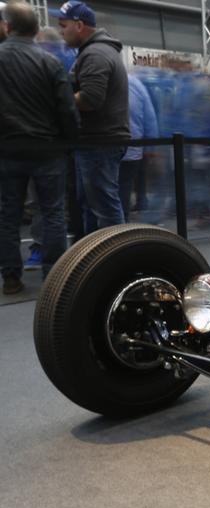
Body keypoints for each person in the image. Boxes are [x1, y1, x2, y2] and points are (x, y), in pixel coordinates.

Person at [0, 1, 78, 294]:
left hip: (8, 150)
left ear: (8, 27)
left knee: (8, 214)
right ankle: (53, 277)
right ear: (35, 29)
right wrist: (69, 142)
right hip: (47, 150)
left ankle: (10, 277)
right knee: (53, 213)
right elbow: (67, 109)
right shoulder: (50, 62)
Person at [52, 1, 129, 235]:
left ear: (79, 25)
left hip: (100, 142)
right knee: (94, 206)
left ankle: (120, 259)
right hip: (98, 142)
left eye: (63, 25)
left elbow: (90, 99)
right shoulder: (94, 51)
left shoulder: (95, 54)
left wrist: (60, 100)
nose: (60, 31)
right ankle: (99, 259)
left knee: (105, 208)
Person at [119, 73, 158, 220]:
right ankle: (121, 226)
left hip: (105, 146)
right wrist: (150, 148)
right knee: (124, 187)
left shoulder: (100, 78)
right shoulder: (136, 84)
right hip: (133, 148)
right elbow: (150, 119)